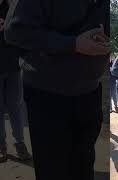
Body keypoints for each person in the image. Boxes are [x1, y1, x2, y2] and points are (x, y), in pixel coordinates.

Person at [4, 0, 108, 179]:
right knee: (53, 169)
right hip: (48, 96)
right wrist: (73, 44)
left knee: (84, 164)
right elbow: (15, 32)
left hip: (90, 93)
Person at [0, 0, 31, 163]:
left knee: (15, 108)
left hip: (13, 66)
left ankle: (20, 143)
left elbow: (24, 31)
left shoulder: (13, 6)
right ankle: (1, 146)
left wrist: (11, 26)